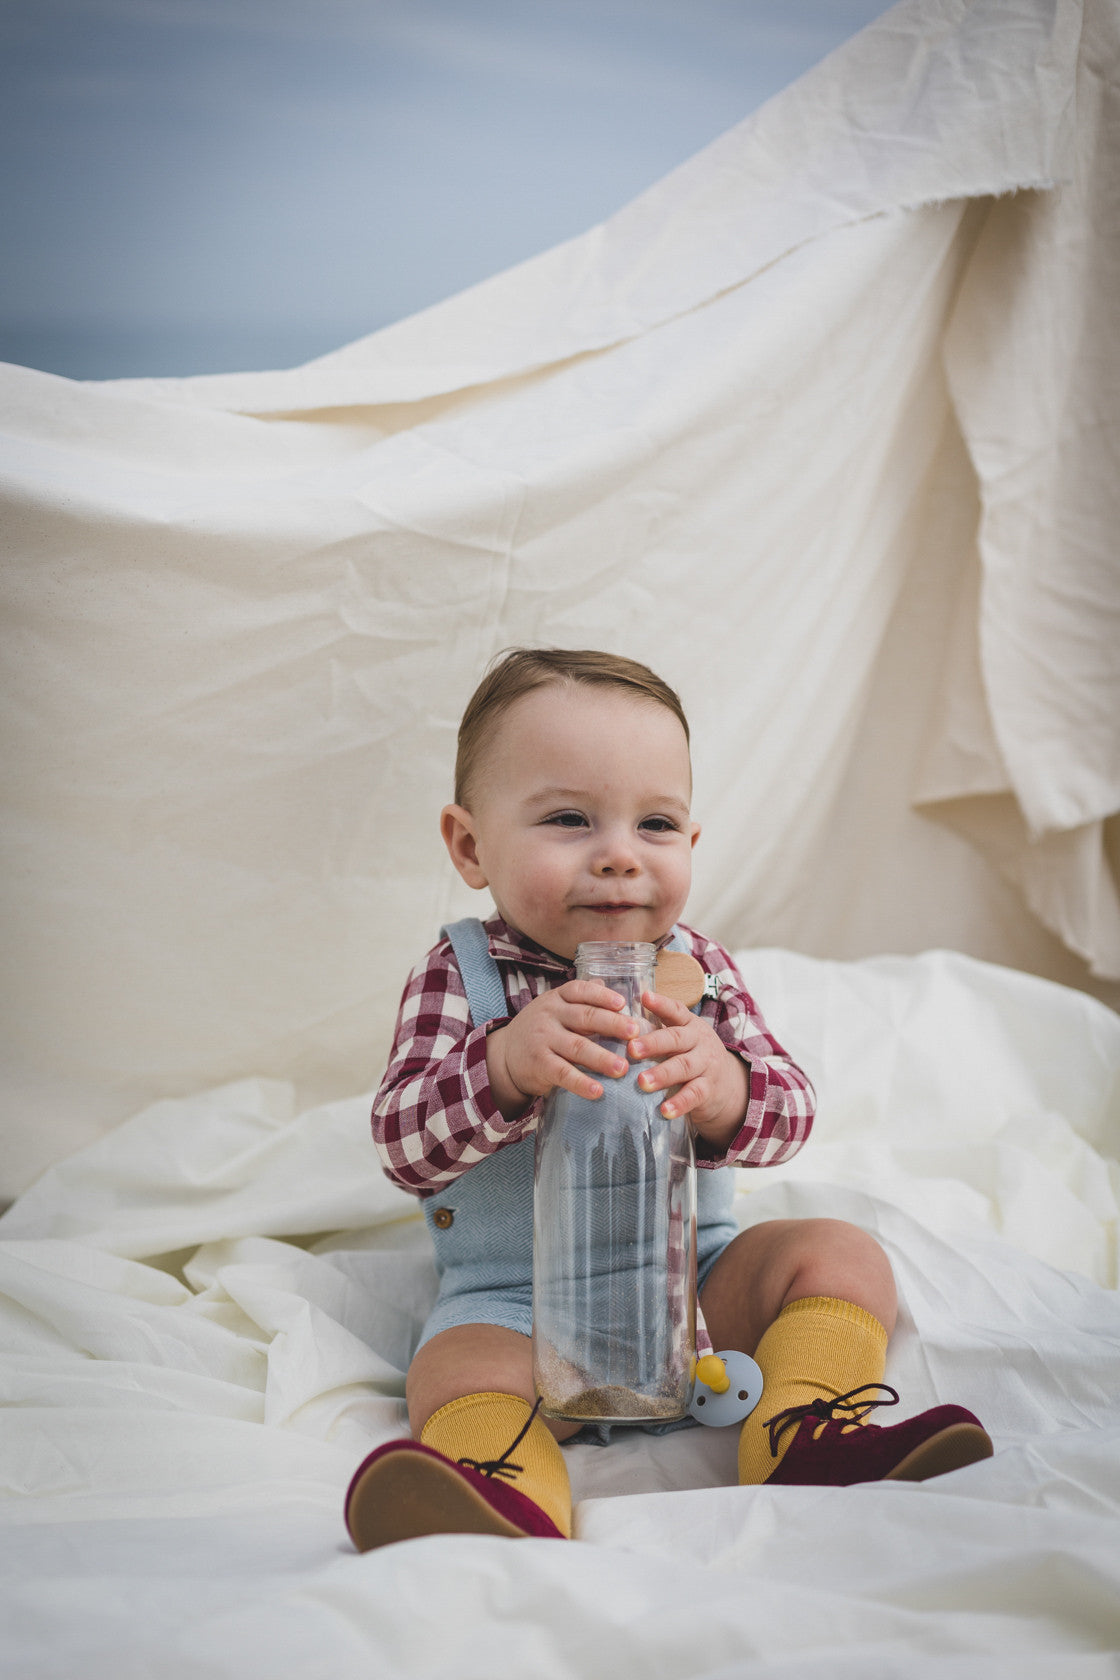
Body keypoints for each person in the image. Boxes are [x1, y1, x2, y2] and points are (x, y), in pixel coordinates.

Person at [344, 649, 992, 1550]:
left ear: (690, 845)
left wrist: (724, 1086)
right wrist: (500, 1065)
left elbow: (792, 1114)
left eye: (654, 824)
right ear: (470, 846)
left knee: (842, 1255)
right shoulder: (466, 975)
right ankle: (506, 1497)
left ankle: (806, 1430)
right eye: (568, 819)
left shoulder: (703, 970)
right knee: (452, 1370)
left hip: (696, 1291)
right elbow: (402, 1143)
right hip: (519, 1310)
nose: (618, 856)